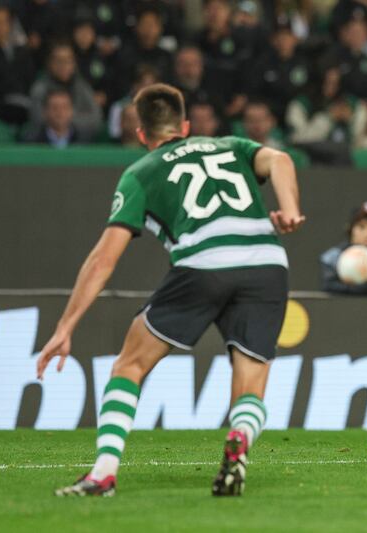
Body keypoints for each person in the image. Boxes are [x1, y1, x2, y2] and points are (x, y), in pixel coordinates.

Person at [36, 83, 305, 497]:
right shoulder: (229, 145)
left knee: (129, 365)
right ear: (183, 125)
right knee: (251, 381)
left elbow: (102, 261)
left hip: (204, 261)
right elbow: (282, 159)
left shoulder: (140, 172)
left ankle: (103, 473)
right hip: (266, 262)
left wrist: (65, 326)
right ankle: (239, 439)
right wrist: (288, 209)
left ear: (142, 135)